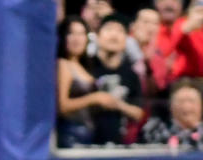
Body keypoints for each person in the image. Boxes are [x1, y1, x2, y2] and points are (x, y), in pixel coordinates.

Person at [90, 14, 145, 145]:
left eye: (120, 31)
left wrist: (118, 104)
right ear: (97, 36)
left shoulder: (131, 74)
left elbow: (139, 113)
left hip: (120, 145)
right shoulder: (86, 67)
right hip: (86, 142)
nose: (114, 35)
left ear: (126, 40)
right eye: (109, 29)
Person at [56, 15, 107, 147]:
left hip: (89, 135)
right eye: (71, 33)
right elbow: (62, 106)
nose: (77, 39)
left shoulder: (85, 67)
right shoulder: (62, 64)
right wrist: (94, 98)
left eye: (81, 34)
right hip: (71, 134)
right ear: (63, 37)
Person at [140, 79, 203, 150]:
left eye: (191, 101)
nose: (186, 106)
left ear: (201, 105)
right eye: (181, 101)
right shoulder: (155, 129)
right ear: (171, 106)